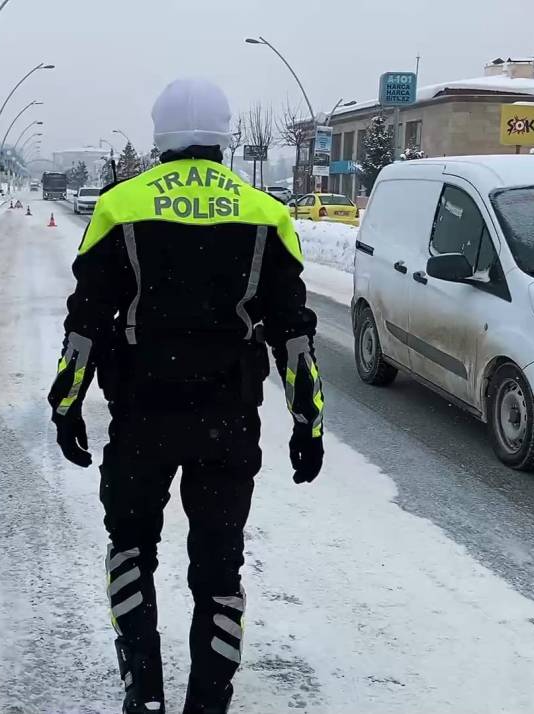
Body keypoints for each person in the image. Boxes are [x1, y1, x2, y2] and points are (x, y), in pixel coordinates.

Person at [47, 78, 324, 714]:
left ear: (159, 136)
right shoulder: (266, 214)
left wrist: (66, 404)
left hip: (142, 414)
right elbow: (294, 337)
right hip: (228, 420)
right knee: (220, 568)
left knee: (131, 549)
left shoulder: (121, 206)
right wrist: (307, 423)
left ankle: (144, 692)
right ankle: (208, 702)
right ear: (225, 137)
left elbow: (86, 322)